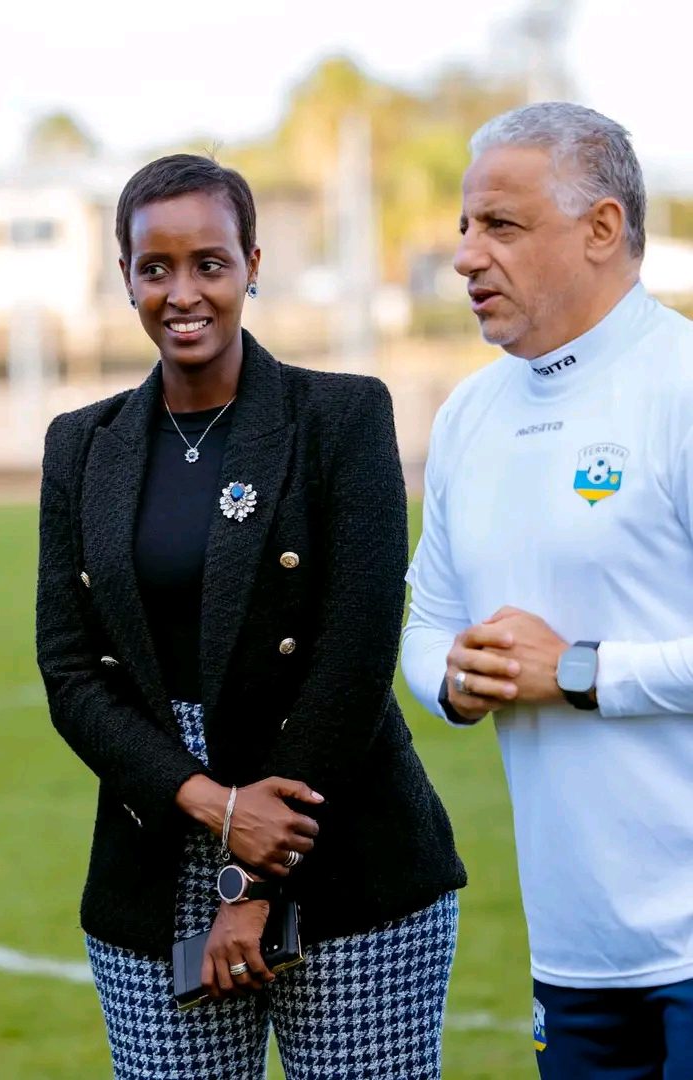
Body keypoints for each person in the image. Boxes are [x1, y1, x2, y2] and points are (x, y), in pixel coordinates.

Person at [37, 153, 465, 1079]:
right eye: (156, 268)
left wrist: (253, 878)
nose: (183, 293)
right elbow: (69, 673)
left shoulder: (342, 417)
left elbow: (355, 656)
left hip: (345, 859)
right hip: (158, 855)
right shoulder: (81, 445)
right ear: (125, 278)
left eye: (210, 263)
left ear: (253, 265)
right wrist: (213, 805)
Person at [401, 101, 693, 1078]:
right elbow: (427, 623)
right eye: (465, 227)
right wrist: (456, 676)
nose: (466, 257)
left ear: (602, 228)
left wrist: (575, 671)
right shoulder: (469, 416)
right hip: (573, 954)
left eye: (502, 225)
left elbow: (568, 668)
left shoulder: (682, 386)